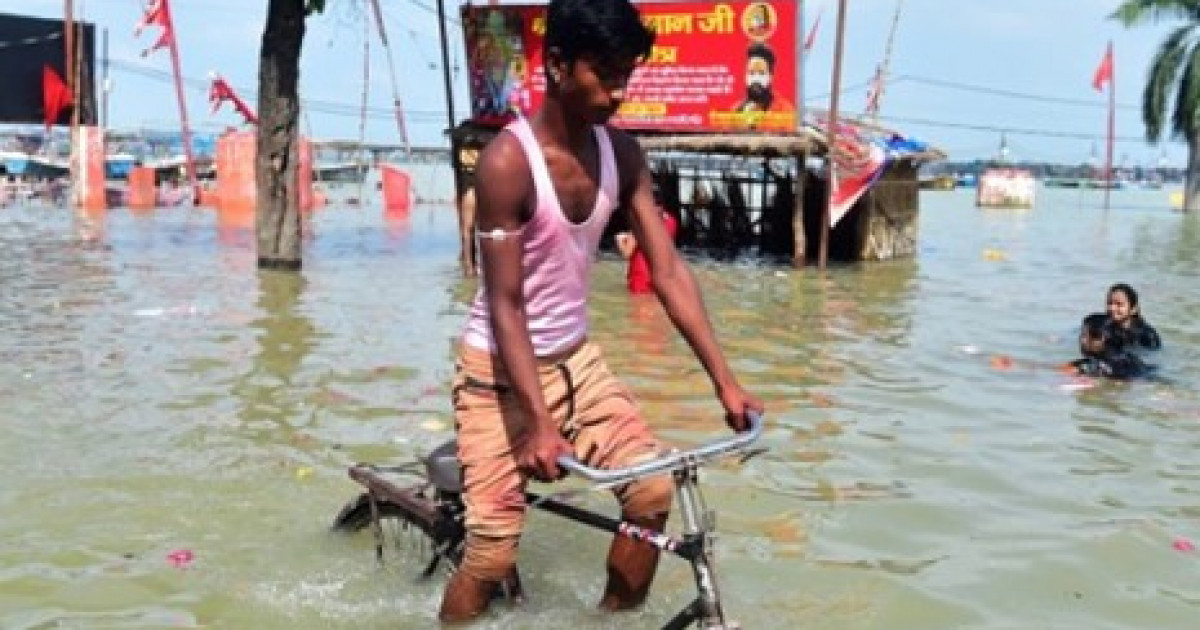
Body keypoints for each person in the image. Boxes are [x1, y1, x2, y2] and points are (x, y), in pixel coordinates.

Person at [441, 0, 764, 622]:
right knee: (491, 552)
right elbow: (504, 305)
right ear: (557, 65)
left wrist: (725, 382)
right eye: (606, 73)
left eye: (627, 75)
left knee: (650, 490)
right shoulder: (508, 165)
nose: (620, 91)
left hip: (578, 364)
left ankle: (611, 621)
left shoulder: (624, 155)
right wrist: (538, 421)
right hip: (498, 376)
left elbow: (667, 270)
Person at [615, 191, 679, 294]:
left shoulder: (641, 223)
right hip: (660, 280)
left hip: (640, 280)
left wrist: (620, 240)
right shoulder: (671, 222)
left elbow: (627, 252)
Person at [1069, 313, 1151, 379]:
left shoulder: (1096, 365)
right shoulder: (1130, 358)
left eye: (1083, 335)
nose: (1080, 340)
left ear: (1101, 338)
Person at [732, 42, 794, 115]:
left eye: (761, 73)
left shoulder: (785, 111)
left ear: (770, 76)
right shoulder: (736, 110)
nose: (756, 79)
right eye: (751, 73)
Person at [1104, 283, 1161, 350]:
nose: (1112, 308)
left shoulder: (1147, 336)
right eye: (1109, 303)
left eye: (1119, 304)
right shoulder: (1102, 328)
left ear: (1133, 309)